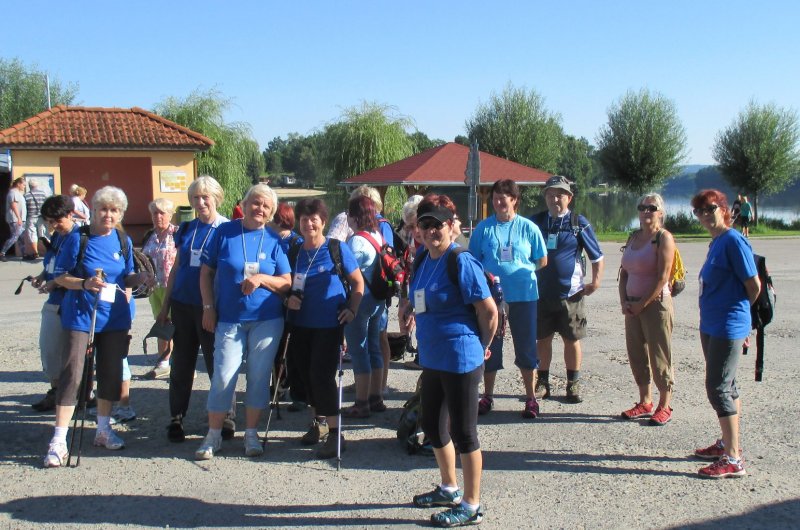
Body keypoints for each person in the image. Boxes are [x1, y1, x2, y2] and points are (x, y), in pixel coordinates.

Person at [405, 194, 497, 527]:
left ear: (450, 226)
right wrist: (407, 309)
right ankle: (449, 487)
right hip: (433, 356)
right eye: (424, 224)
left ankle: (472, 506)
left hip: (461, 357)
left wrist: (481, 346)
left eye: (436, 224)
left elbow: (488, 311)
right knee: (431, 425)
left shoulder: (461, 260)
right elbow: (418, 296)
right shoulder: (422, 259)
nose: (430, 231)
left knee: (464, 432)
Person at [43, 185, 152, 467]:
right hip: (81, 315)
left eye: (114, 210)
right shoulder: (77, 239)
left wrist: (139, 278)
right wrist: (84, 284)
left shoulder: (122, 239)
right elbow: (61, 277)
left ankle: (103, 429)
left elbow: (125, 275)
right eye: (103, 209)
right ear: (93, 210)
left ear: (121, 214)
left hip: (114, 317)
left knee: (110, 373)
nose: (108, 215)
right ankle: (58, 438)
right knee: (73, 373)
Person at [196, 183, 291, 460]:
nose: (259, 209)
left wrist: (262, 279)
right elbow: (205, 274)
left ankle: (251, 433)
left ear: (271, 211)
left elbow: (286, 282)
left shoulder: (274, 241)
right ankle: (213, 434)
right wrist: (208, 307)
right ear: (245, 204)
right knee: (223, 376)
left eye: (266, 206)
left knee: (259, 378)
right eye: (255, 203)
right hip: (230, 319)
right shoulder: (224, 233)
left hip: (266, 320)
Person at [285, 198, 364, 459]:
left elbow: (358, 284)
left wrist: (351, 309)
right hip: (299, 324)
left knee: (322, 376)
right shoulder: (294, 251)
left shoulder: (336, 249)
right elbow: (284, 285)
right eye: (304, 219)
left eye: (314, 219)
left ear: (323, 221)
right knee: (305, 376)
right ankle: (315, 424)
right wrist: (287, 299)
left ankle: (335, 432)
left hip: (329, 325)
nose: (309, 223)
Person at [691, 189, 760, 479]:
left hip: (727, 326)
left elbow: (753, 285)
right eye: (700, 211)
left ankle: (733, 459)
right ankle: (727, 444)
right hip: (712, 325)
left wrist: (742, 324)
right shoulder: (717, 241)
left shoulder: (733, 240)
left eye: (711, 208)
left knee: (717, 387)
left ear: (723, 209)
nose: (706, 215)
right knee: (728, 385)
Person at [156, 176, 230, 443]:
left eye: (205, 197)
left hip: (211, 307)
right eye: (195, 198)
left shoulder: (226, 229)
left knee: (217, 363)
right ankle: (177, 416)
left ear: (216, 198)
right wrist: (165, 305)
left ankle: (226, 415)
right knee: (181, 364)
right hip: (183, 304)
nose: (200, 203)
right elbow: (176, 268)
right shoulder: (187, 229)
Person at [469, 179, 547, 418]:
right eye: (495, 198)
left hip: (524, 296)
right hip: (492, 299)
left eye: (504, 197)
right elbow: (472, 261)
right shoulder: (484, 228)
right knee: (491, 346)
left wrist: (522, 271)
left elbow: (542, 260)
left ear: (514, 200)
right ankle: (487, 396)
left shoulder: (528, 228)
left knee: (525, 347)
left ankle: (531, 398)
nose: (499, 202)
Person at [531, 175, 604, 403]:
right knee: (542, 339)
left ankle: (573, 383)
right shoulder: (536, 222)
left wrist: (596, 281)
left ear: (569, 198)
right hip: (540, 293)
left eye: (560, 194)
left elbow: (597, 257)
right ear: (545, 197)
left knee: (571, 340)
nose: (555, 199)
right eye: (551, 194)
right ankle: (543, 382)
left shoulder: (577, 223)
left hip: (571, 295)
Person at [618, 193, 676, 425]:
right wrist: (624, 300)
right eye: (642, 207)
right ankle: (645, 401)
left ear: (660, 213)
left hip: (656, 305)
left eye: (651, 208)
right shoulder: (634, 237)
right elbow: (624, 273)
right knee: (636, 354)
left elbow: (663, 277)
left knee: (659, 354)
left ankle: (664, 404)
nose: (646, 212)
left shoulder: (663, 238)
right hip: (632, 304)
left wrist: (642, 303)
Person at [30, 195, 78, 412]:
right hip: (54, 301)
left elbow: (75, 273)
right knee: (50, 352)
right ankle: (57, 391)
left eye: (57, 220)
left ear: (70, 214)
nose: (53, 226)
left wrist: (53, 283)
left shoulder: (78, 237)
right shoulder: (59, 236)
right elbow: (52, 260)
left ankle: (72, 395)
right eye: (49, 221)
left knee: (67, 355)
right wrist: (43, 275)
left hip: (69, 303)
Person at [342, 195, 389, 418]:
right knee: (373, 347)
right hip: (378, 298)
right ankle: (376, 396)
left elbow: (347, 274)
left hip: (360, 300)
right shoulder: (376, 235)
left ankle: (361, 402)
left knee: (358, 350)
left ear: (354, 216)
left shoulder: (356, 241)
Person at [142, 198, 178, 379]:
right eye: (155, 213)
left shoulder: (177, 235)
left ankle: (180, 364)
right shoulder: (150, 236)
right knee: (161, 323)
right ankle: (163, 362)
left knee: (175, 325)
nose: (158, 216)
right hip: (154, 288)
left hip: (173, 287)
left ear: (170, 215)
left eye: (162, 212)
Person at [1, 177, 27, 261]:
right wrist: (19, 218)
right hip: (15, 219)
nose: (24, 187)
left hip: (20, 219)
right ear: (18, 184)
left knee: (21, 238)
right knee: (14, 237)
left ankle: (24, 254)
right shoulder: (13, 193)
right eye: (23, 185)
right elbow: (14, 205)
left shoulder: (18, 193)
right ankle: (2, 253)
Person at [24, 180, 48, 259]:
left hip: (31, 217)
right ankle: (48, 250)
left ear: (29, 186)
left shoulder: (26, 195)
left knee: (32, 235)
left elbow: (25, 208)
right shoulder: (43, 194)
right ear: (37, 185)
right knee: (43, 233)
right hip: (41, 217)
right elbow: (46, 205)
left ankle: (35, 252)